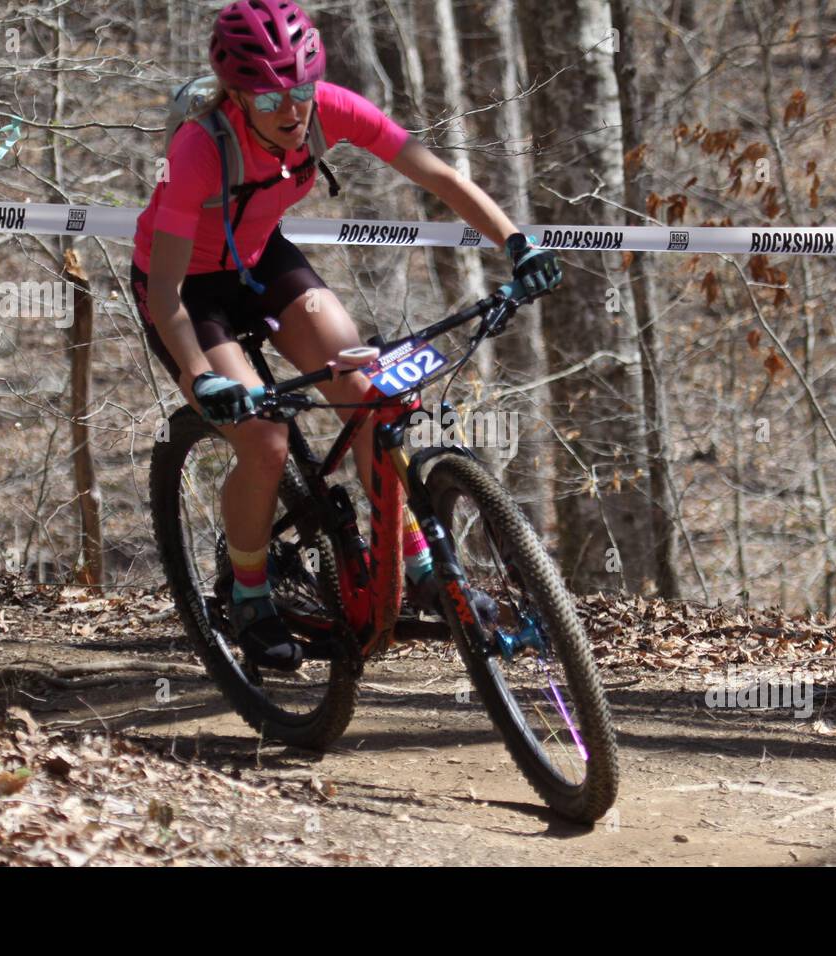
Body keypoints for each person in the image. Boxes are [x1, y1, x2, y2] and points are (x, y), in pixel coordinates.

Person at [131, 0, 562, 671]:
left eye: (300, 90)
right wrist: (202, 374)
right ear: (237, 94)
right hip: (186, 289)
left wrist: (517, 242)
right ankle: (248, 590)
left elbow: (435, 174)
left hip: (258, 258)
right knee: (266, 442)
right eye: (271, 96)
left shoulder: (330, 108)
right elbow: (164, 295)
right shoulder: (198, 150)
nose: (292, 109)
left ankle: (416, 562)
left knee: (364, 394)